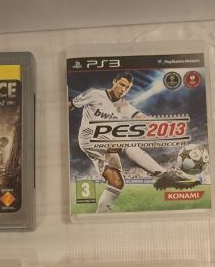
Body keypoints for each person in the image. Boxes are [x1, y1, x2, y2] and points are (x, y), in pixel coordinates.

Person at [69, 72, 199, 212]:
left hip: (106, 144)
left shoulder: (123, 105)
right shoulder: (95, 94)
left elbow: (141, 117)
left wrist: (160, 125)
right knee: (125, 139)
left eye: (127, 88)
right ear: (114, 82)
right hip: (89, 138)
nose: (123, 89)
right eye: (121, 85)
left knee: (116, 183)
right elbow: (71, 104)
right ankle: (163, 175)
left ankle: (100, 215)